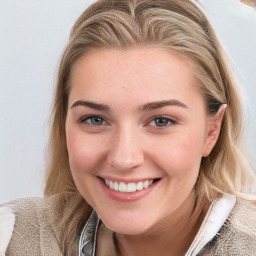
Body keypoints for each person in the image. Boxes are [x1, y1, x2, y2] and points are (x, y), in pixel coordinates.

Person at [1, 0, 256, 255]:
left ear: (212, 131)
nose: (124, 158)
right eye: (95, 120)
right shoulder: (12, 237)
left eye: (161, 121)